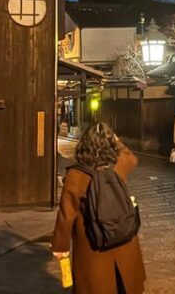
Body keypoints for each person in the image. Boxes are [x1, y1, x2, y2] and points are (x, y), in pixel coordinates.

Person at [51, 122, 145, 294]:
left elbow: (66, 215)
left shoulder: (75, 176)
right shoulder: (117, 167)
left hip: (93, 246)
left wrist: (61, 246)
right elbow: (130, 157)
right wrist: (115, 139)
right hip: (123, 240)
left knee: (97, 285)